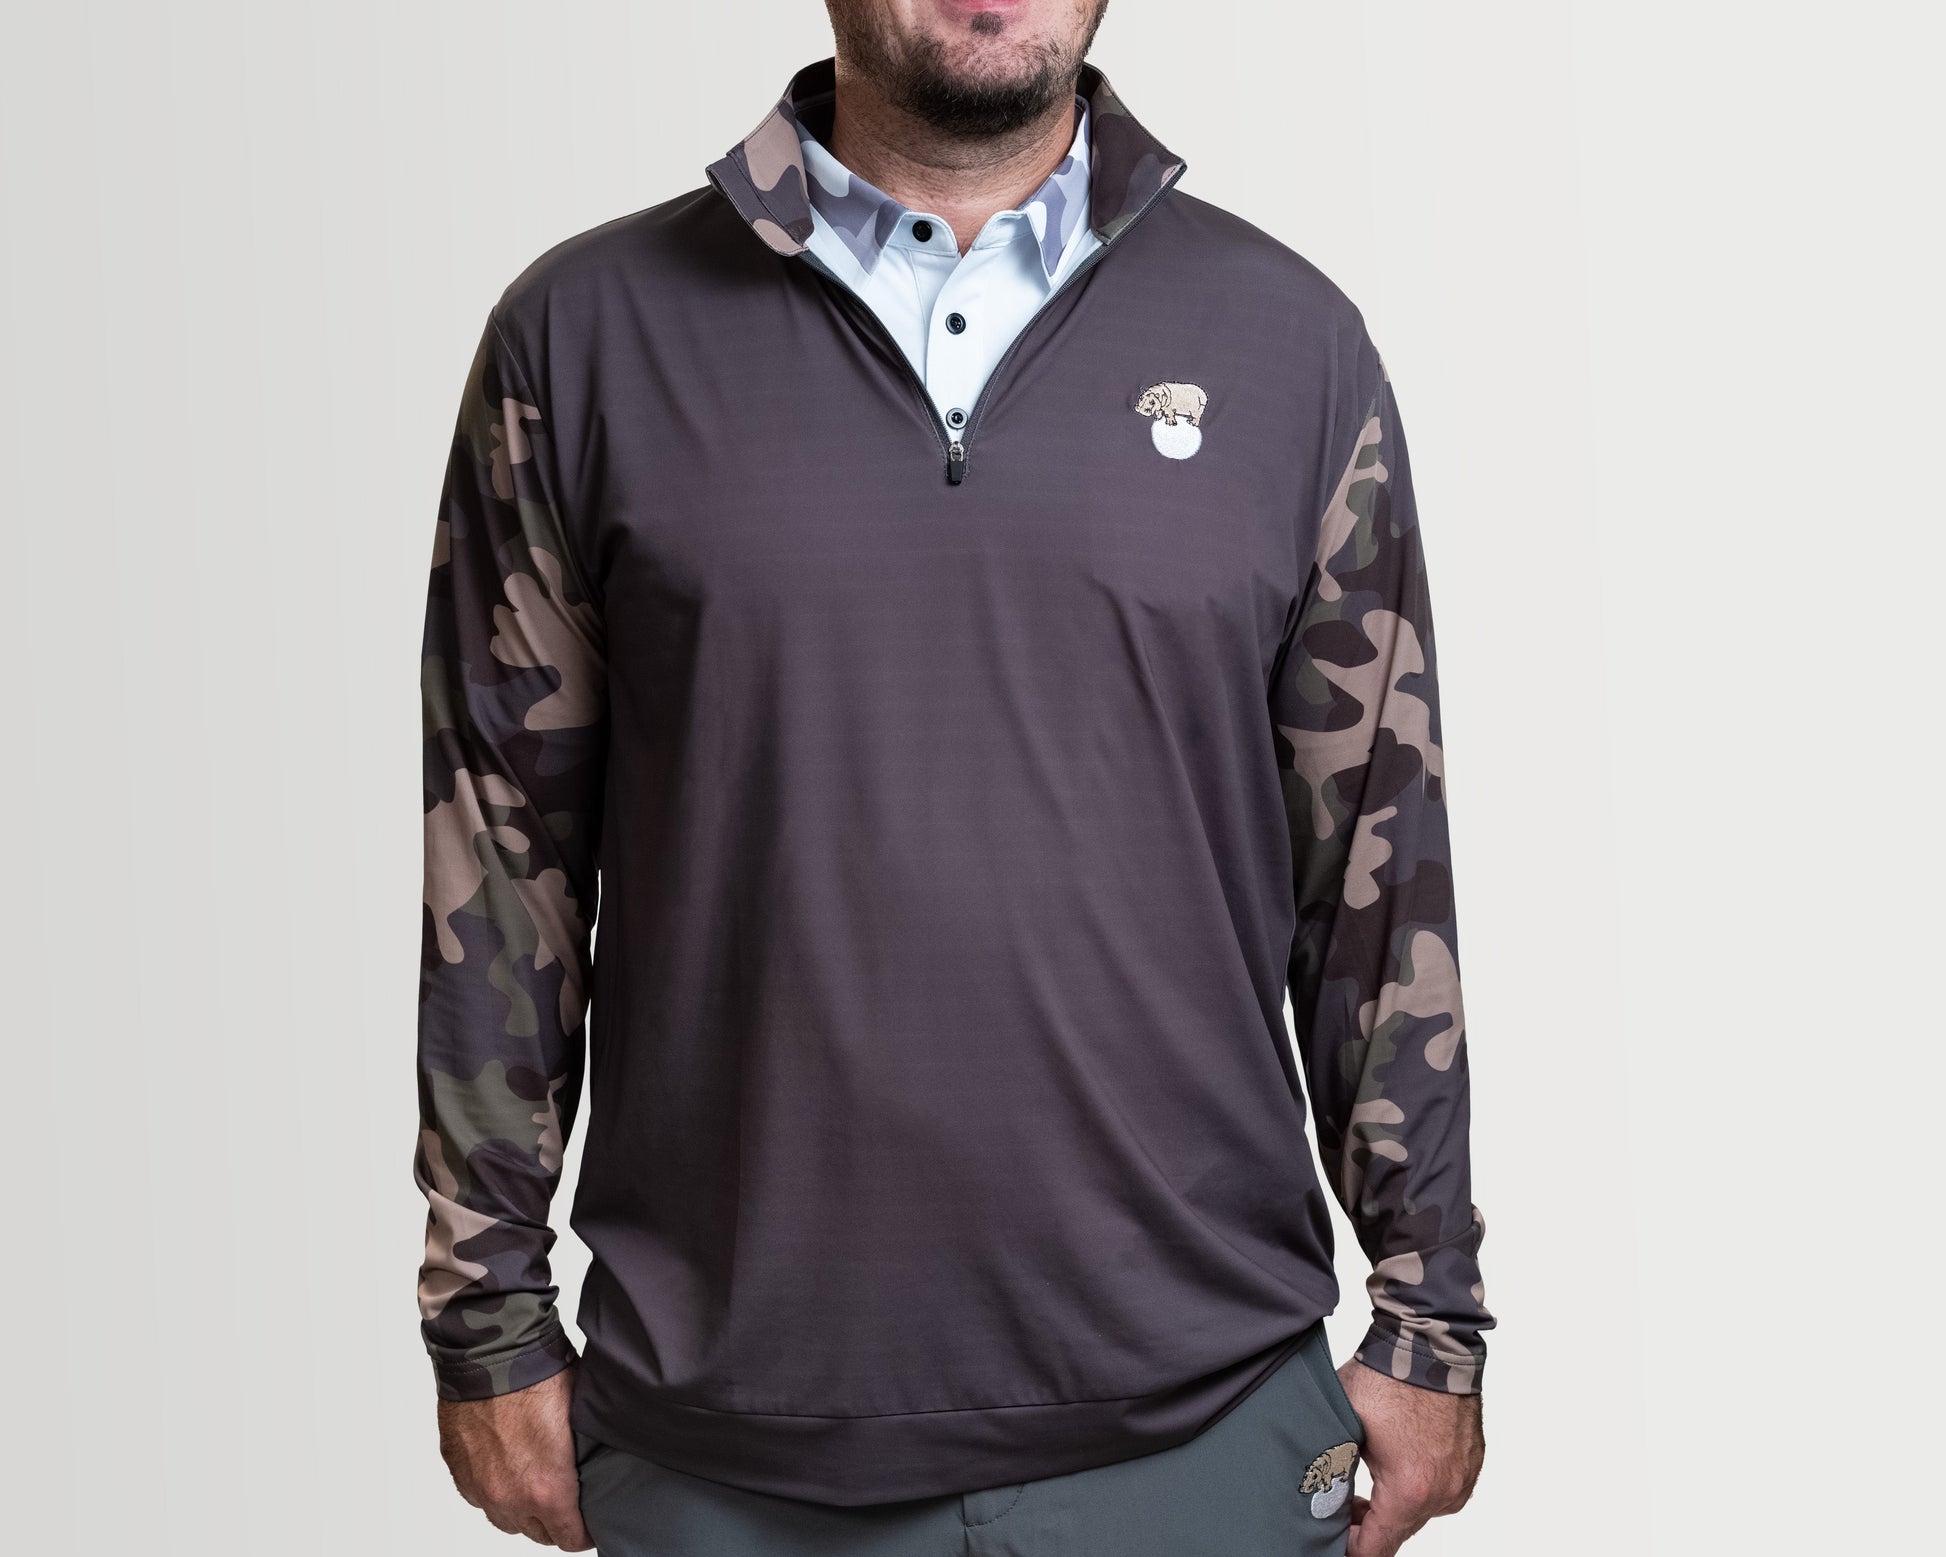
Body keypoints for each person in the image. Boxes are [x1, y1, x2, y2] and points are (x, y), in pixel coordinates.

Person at [414, 2, 1492, 1553]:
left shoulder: (1288, 341)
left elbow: (1378, 870)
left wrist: (1428, 1318)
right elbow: (497, 862)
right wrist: (487, 1320)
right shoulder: (584, 336)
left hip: (1201, 1434)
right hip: (724, 1447)